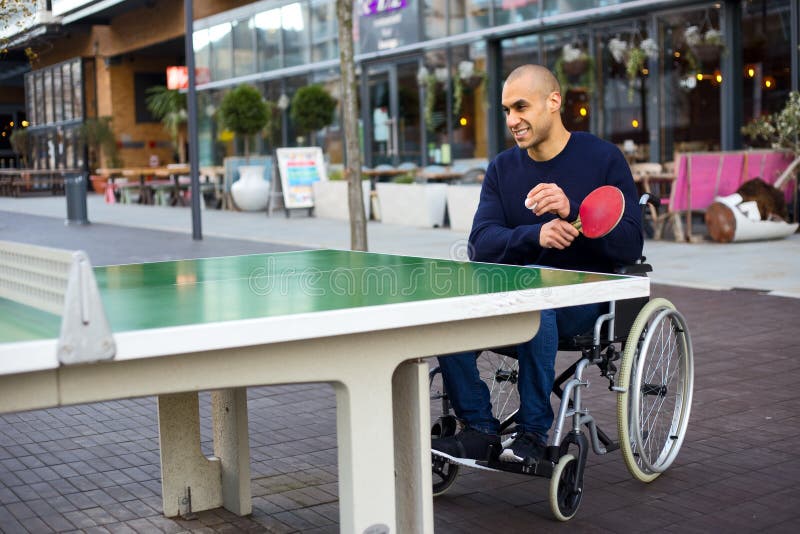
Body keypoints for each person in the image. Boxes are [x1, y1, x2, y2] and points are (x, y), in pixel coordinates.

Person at [431, 64, 643, 464]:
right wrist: (535, 234)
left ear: (553, 102)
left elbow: (631, 243)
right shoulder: (502, 169)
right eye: (507, 110)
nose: (512, 120)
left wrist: (573, 209)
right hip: (512, 296)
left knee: (535, 305)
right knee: (447, 307)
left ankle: (532, 433)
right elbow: (481, 242)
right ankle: (479, 427)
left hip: (582, 302)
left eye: (521, 107)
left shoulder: (602, 159)